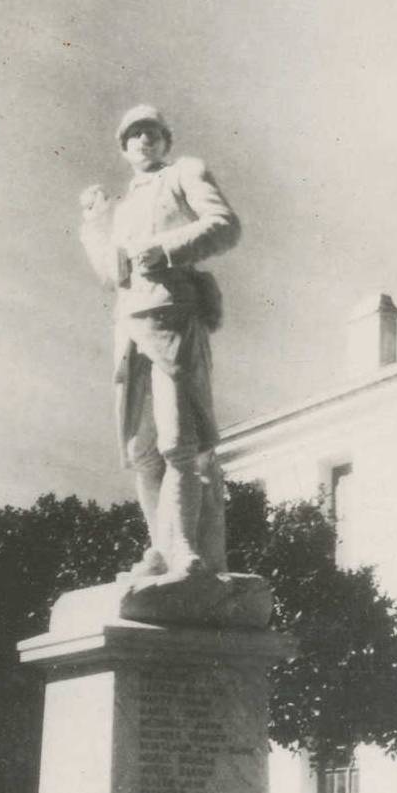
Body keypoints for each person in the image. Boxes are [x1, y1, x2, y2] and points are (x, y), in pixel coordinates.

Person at [80, 105, 241, 579]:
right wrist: (95, 224)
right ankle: (161, 545)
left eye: (152, 132)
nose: (144, 140)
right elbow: (112, 274)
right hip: (129, 326)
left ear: (165, 139)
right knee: (141, 449)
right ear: (124, 146)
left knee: (177, 440)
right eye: (134, 134)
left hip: (173, 317)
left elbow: (224, 225)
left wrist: (166, 248)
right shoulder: (123, 206)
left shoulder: (184, 172)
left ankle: (185, 547)